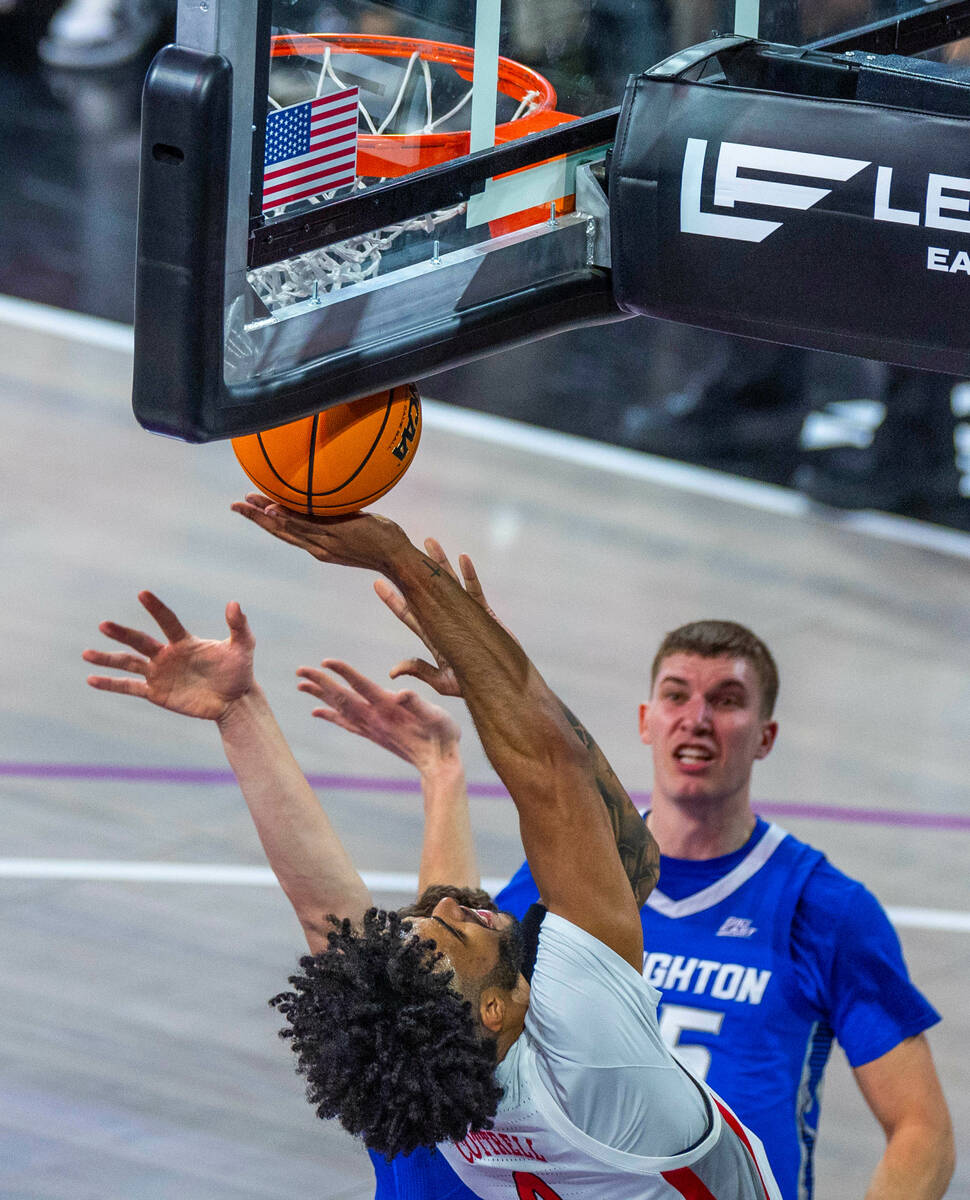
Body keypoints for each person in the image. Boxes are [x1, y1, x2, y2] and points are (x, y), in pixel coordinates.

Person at [219, 495, 783, 1197]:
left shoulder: (411, 1093)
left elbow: (335, 916)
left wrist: (239, 709)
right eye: (447, 928)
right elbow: (558, 777)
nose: (452, 903)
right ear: (492, 1011)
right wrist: (402, 563)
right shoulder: (588, 1059)